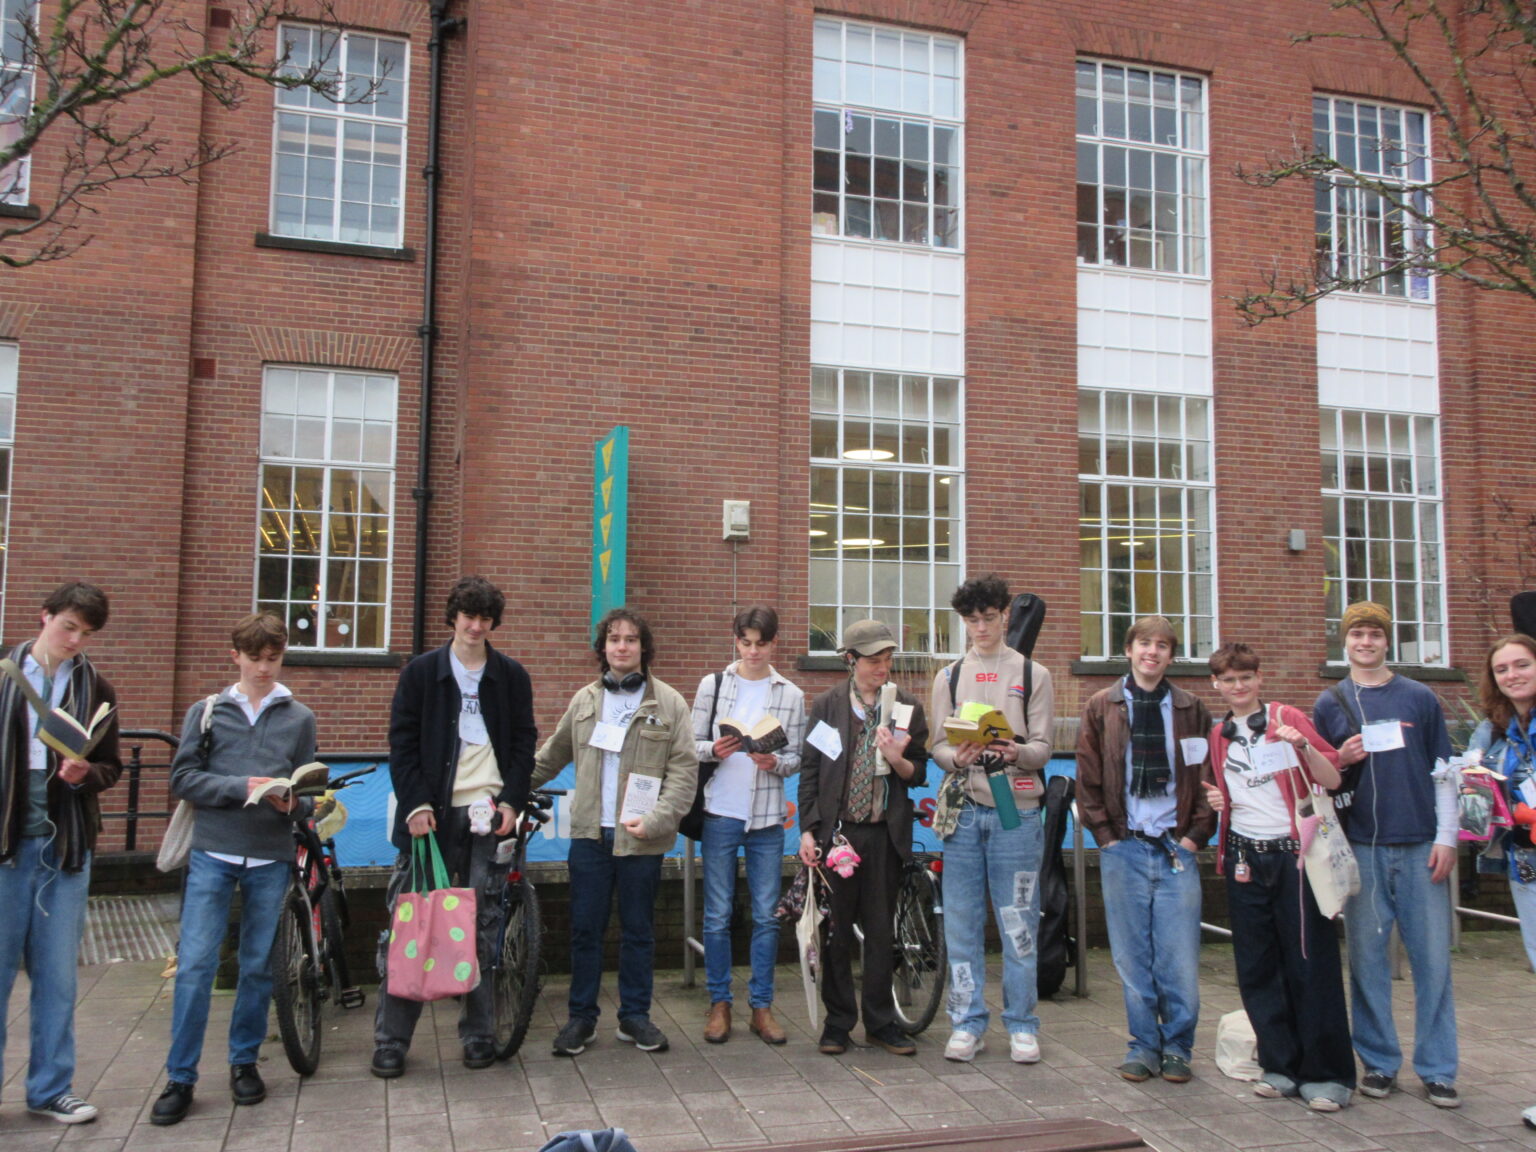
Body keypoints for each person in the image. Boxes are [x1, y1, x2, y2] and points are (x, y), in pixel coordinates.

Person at [151, 612, 317, 1126]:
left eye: (274, 658)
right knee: (196, 966)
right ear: (236, 657)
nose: (265, 669)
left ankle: (244, 1063)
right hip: (213, 853)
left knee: (258, 967)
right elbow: (183, 779)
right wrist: (240, 787)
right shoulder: (207, 712)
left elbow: (310, 793)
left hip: (270, 855)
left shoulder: (299, 718)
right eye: (255, 659)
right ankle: (181, 1076)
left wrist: (296, 805)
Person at [372, 576, 537, 1078]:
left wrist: (511, 801)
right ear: (453, 616)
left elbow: (523, 744)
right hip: (432, 820)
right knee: (415, 924)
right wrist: (415, 803)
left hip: (487, 818)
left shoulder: (510, 676)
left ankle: (479, 1034)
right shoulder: (422, 673)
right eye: (468, 616)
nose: (475, 626)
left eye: (485, 618)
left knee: (483, 924)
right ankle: (391, 1040)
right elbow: (401, 745)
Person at [1313, 600, 1459, 1108]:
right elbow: (1319, 778)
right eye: (1357, 635)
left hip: (1421, 846)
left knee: (1432, 964)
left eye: (1375, 634)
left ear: (1386, 641)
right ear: (1345, 642)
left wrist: (1447, 838)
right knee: (1368, 963)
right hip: (1363, 850)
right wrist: (1342, 757)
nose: (1366, 643)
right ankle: (1378, 1063)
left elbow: (1446, 771)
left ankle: (1438, 1069)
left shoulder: (1419, 698)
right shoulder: (1330, 702)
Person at [534, 606, 697, 1056]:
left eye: (630, 639)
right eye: (613, 639)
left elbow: (684, 773)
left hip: (640, 836)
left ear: (644, 648)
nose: (621, 647)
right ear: (602, 648)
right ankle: (581, 1020)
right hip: (590, 835)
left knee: (639, 931)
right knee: (585, 930)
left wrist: (657, 820)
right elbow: (551, 756)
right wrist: (507, 787)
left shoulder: (669, 704)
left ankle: (635, 1017)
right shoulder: (585, 701)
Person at [1201, 643, 1354, 1112]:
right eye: (1228, 680)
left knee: (1310, 961)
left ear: (1259, 678)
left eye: (1245, 676)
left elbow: (1332, 780)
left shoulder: (1286, 717)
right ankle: (1279, 1065)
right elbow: (1224, 789)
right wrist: (1218, 803)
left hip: (1295, 857)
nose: (1238, 686)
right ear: (1216, 685)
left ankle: (1326, 1074)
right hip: (1247, 858)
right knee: (1257, 965)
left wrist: (1302, 745)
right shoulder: (1218, 734)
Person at [0, 581, 121, 1125]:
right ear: (43, 616)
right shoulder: (4, 674)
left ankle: (51, 1089)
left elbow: (113, 766)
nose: (75, 640)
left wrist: (86, 773)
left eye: (86, 633)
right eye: (68, 626)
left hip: (64, 848)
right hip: (4, 846)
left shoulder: (96, 687)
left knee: (58, 976)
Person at [1075, 615, 1213, 1084]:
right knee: (1132, 959)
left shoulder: (1192, 708)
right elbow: (1088, 778)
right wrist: (1106, 837)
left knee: (1177, 958)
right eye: (1143, 644)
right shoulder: (1101, 706)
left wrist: (1196, 835)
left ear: (1171, 656)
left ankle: (1178, 1047)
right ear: (1129, 650)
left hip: (1176, 849)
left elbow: (1206, 776)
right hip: (1125, 849)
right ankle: (1142, 1046)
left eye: (1162, 646)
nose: (1152, 652)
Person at [928, 574, 1055, 1064]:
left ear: (1005, 615)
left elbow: (1043, 747)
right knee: (961, 922)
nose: (980, 627)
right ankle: (966, 1021)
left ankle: (1022, 1023)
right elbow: (937, 745)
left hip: (1015, 810)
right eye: (971, 619)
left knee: (1018, 921)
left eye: (988, 617)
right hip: (963, 812)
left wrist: (1015, 751)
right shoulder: (950, 677)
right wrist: (956, 758)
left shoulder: (1032, 674)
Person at [797, 618, 929, 1056]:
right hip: (839, 835)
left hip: (884, 836)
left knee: (880, 932)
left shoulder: (906, 706)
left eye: (888, 659)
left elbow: (918, 773)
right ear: (851, 660)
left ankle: (880, 1022)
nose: (883, 668)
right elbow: (811, 773)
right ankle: (838, 1022)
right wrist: (808, 830)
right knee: (833, 932)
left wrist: (897, 759)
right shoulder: (827, 706)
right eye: (874, 660)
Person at [692, 605, 805, 1045]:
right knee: (717, 915)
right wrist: (713, 750)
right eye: (745, 643)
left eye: (761, 644)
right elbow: (690, 741)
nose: (753, 651)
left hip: (766, 818)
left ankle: (762, 1006)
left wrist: (775, 761)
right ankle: (720, 1003)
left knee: (766, 916)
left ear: (774, 643)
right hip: (720, 809)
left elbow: (796, 759)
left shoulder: (791, 694)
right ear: (735, 641)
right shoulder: (714, 685)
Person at [1465, 634, 1536, 1127]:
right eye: (1503, 669)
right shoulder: (1493, 733)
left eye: (1523, 664)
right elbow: (1475, 806)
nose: (1514, 675)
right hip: (1524, 868)